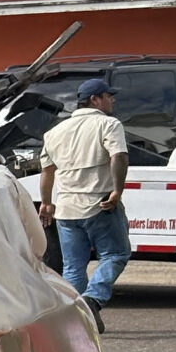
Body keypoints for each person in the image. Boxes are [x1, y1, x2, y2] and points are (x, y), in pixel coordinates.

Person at [37, 77, 132, 326]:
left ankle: (76, 320)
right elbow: (119, 157)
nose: (112, 100)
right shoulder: (108, 125)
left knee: (72, 266)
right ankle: (93, 299)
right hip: (99, 205)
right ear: (95, 99)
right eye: (109, 96)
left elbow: (47, 171)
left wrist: (46, 203)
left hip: (66, 210)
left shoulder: (53, 132)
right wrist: (117, 191)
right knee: (115, 254)